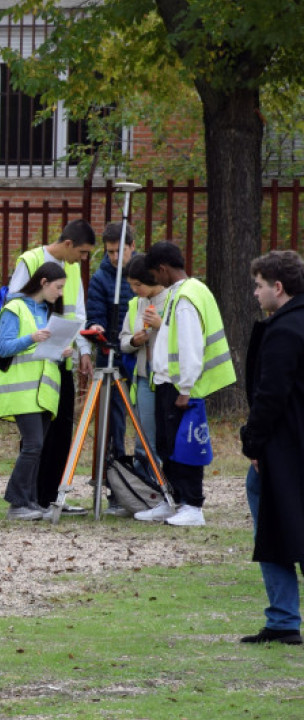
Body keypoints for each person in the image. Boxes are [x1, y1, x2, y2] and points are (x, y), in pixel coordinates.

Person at [134, 241, 235, 526]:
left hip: (179, 386)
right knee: (168, 446)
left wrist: (186, 388)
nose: (156, 280)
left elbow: (190, 346)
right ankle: (174, 501)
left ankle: (192, 505)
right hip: (171, 382)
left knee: (184, 447)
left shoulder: (185, 298)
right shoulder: (190, 291)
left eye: (155, 274)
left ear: (163, 269)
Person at [7, 220, 95, 511]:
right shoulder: (31, 260)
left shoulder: (70, 267)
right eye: (82, 253)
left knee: (60, 431)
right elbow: (15, 306)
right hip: (36, 359)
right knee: (37, 436)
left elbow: (78, 311)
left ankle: (51, 496)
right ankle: (29, 497)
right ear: (68, 244)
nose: (82, 260)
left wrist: (83, 349)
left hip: (61, 357)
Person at [240, 249, 304, 645]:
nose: (255, 293)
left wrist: (253, 442)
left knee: (277, 523)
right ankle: (282, 619)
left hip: (285, 445)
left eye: (259, 286)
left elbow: (271, 395)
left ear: (278, 288)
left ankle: (283, 617)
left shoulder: (283, 329)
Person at [0, 262, 72, 521]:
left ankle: (30, 502)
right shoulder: (14, 308)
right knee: (34, 445)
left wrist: (61, 352)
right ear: (43, 282)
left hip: (43, 391)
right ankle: (17, 503)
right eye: (58, 287)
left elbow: (42, 352)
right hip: (22, 391)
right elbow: (3, 348)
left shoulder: (46, 311)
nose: (60, 293)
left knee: (36, 446)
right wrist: (32, 338)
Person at [86, 222, 136, 460]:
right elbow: (95, 315)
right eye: (110, 252)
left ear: (132, 247)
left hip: (140, 354)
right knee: (113, 418)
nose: (115, 257)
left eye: (119, 251)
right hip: (110, 356)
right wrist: (95, 327)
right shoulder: (100, 279)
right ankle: (114, 463)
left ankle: (146, 464)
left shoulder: (144, 271)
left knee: (143, 414)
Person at [119, 255, 171, 457]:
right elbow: (123, 341)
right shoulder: (136, 304)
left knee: (166, 437)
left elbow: (183, 336)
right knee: (144, 439)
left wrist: (160, 326)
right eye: (131, 285)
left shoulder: (173, 298)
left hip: (168, 378)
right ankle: (144, 482)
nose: (134, 290)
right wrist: (134, 341)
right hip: (143, 379)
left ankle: (165, 482)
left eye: (138, 284)